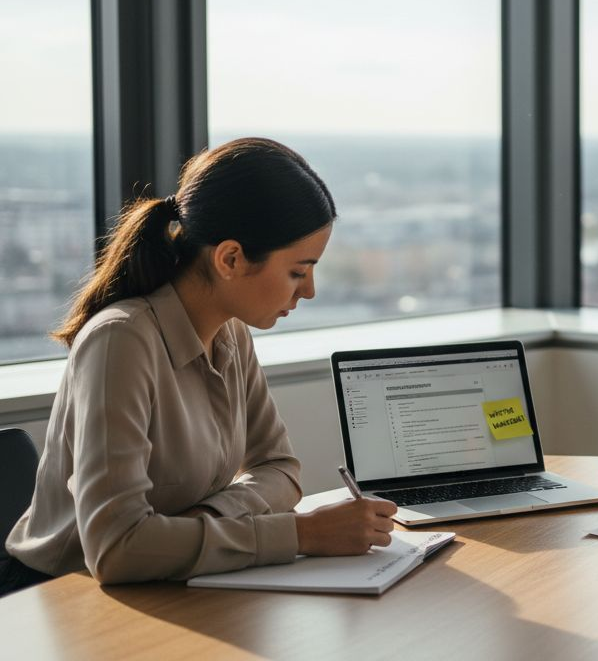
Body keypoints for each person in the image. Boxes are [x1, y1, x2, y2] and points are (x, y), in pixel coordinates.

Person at [1, 137, 397, 596]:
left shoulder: (231, 333)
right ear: (230, 258)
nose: (308, 292)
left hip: (168, 582)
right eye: (297, 271)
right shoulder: (119, 342)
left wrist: (200, 522)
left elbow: (281, 470)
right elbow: (116, 548)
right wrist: (301, 535)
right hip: (61, 596)